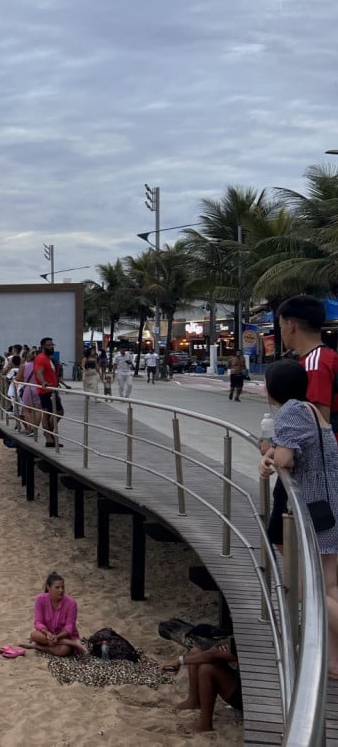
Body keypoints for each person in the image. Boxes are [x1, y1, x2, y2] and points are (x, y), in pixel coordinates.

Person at [258, 360, 338, 678]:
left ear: (272, 387)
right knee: (330, 585)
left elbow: (287, 457)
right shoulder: (311, 409)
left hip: (311, 507)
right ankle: (334, 662)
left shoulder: (290, 410)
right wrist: (273, 454)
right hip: (330, 504)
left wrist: (269, 452)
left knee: (309, 589)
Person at [278, 295, 338, 438]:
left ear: (291, 325)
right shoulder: (326, 357)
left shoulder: (315, 364)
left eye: (281, 327)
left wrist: (280, 448)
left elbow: (318, 423)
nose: (281, 332)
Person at [160, 639, 242, 733]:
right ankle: (194, 700)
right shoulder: (246, 635)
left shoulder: (254, 641)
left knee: (206, 669)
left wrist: (179, 661)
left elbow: (212, 655)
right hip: (240, 681)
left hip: (247, 696)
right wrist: (219, 645)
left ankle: (205, 724)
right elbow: (225, 641)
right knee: (196, 652)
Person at [20, 572, 86, 657]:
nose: (61, 590)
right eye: (57, 587)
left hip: (63, 636)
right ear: (48, 587)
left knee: (64, 651)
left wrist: (57, 637)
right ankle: (73, 643)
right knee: (33, 635)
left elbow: (69, 627)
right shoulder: (40, 599)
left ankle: (38, 646)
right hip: (48, 635)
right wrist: (47, 633)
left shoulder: (71, 603)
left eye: (62, 587)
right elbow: (38, 622)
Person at [34, 338, 60, 447]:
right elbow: (39, 372)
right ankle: (48, 437)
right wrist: (43, 382)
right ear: (43, 346)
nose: (51, 347)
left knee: (57, 412)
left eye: (52, 344)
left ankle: (49, 433)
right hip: (45, 390)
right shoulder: (40, 358)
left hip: (52, 390)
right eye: (49, 345)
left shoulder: (49, 358)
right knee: (48, 413)